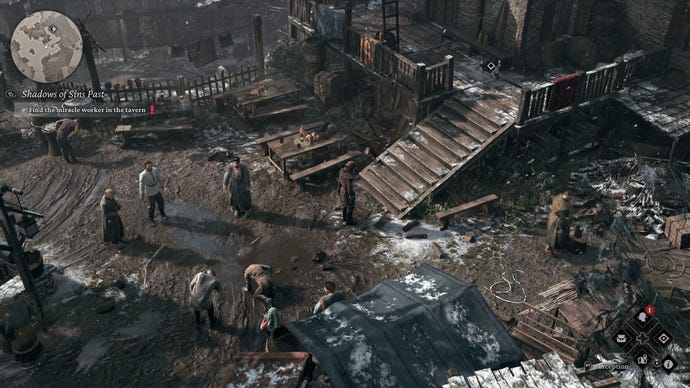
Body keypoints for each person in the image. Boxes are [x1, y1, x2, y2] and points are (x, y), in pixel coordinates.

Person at [139, 160, 168, 225]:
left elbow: (159, 177)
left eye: (150, 164)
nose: (150, 166)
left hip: (157, 189)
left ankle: (163, 214)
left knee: (161, 202)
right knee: (152, 206)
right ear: (145, 166)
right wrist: (142, 193)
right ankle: (151, 219)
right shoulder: (143, 174)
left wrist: (161, 185)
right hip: (150, 192)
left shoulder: (155, 170)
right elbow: (141, 184)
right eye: (148, 165)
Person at [545, 189, 573, 255]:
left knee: (550, 233)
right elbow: (563, 217)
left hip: (552, 217)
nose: (571, 198)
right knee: (557, 235)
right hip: (558, 221)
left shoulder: (558, 197)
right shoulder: (563, 204)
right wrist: (562, 228)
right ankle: (550, 248)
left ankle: (549, 247)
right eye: (570, 196)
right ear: (566, 195)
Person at [338, 160, 356, 225]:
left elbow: (339, 182)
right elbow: (349, 189)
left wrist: (338, 191)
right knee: (350, 206)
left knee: (344, 206)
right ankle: (349, 221)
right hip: (346, 194)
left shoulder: (341, 171)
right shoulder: (349, 178)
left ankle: (344, 219)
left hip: (341, 191)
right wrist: (352, 196)